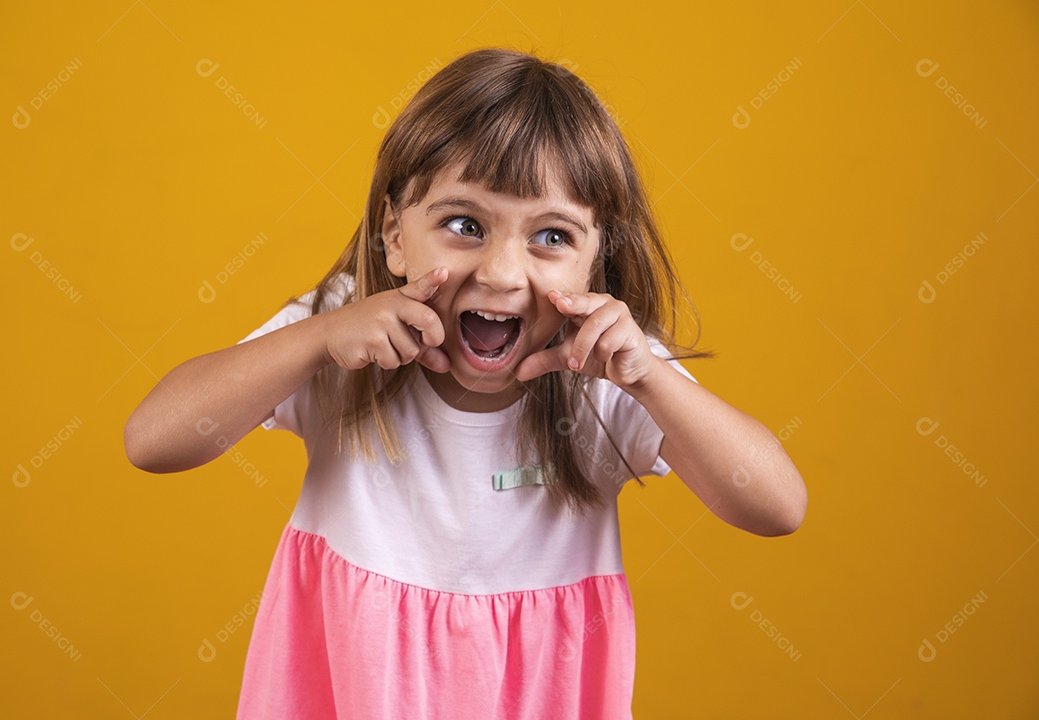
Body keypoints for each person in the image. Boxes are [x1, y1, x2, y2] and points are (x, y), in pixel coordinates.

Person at [125, 47, 806, 719]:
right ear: (394, 234)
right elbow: (153, 440)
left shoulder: (603, 380)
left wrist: (653, 380)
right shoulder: (341, 336)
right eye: (464, 224)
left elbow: (777, 507)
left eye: (552, 238)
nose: (504, 272)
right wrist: (311, 342)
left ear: (597, 265)